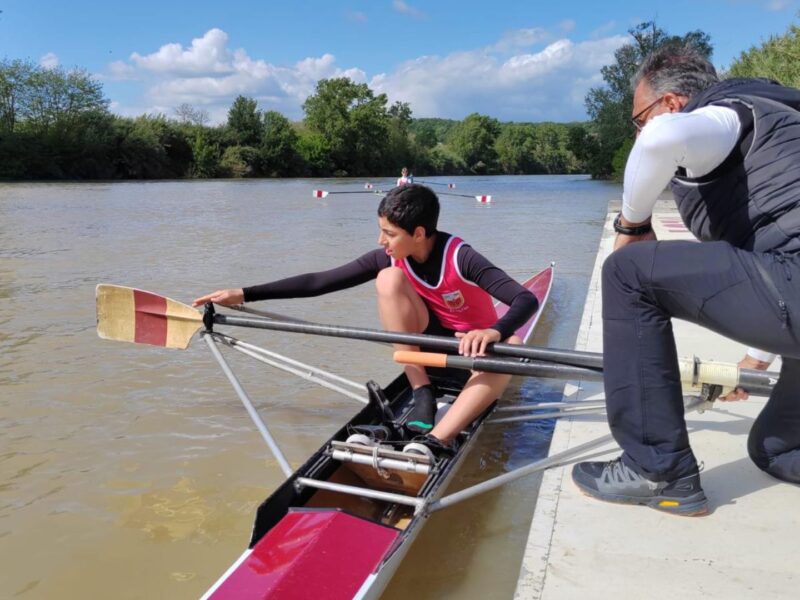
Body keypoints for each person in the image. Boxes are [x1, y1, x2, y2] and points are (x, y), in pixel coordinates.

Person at [571, 43, 800, 516]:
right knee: (776, 449)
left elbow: (659, 141)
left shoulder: (721, 115)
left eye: (638, 119)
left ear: (672, 103)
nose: (639, 132)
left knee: (627, 272)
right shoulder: (783, 115)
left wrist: (633, 226)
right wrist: (757, 359)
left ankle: (657, 470)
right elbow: (770, 254)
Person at [193, 184, 537, 451]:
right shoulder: (388, 258)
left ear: (418, 233)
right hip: (428, 349)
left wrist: (494, 330)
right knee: (388, 278)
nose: (381, 241)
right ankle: (422, 392)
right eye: (381, 231)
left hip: (474, 356)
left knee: (514, 342)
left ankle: (436, 441)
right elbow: (320, 282)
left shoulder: (462, 257)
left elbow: (524, 299)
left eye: (389, 234)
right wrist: (246, 292)